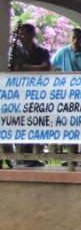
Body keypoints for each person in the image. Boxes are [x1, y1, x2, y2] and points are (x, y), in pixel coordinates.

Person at [10, 23, 50, 167]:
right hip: (20, 92)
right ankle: (21, 156)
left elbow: (47, 67)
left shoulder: (41, 51)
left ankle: (32, 157)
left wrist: (27, 67)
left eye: (24, 33)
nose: (21, 37)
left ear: (31, 35)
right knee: (21, 123)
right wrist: (36, 68)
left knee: (36, 122)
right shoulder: (15, 51)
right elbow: (16, 68)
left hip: (37, 93)